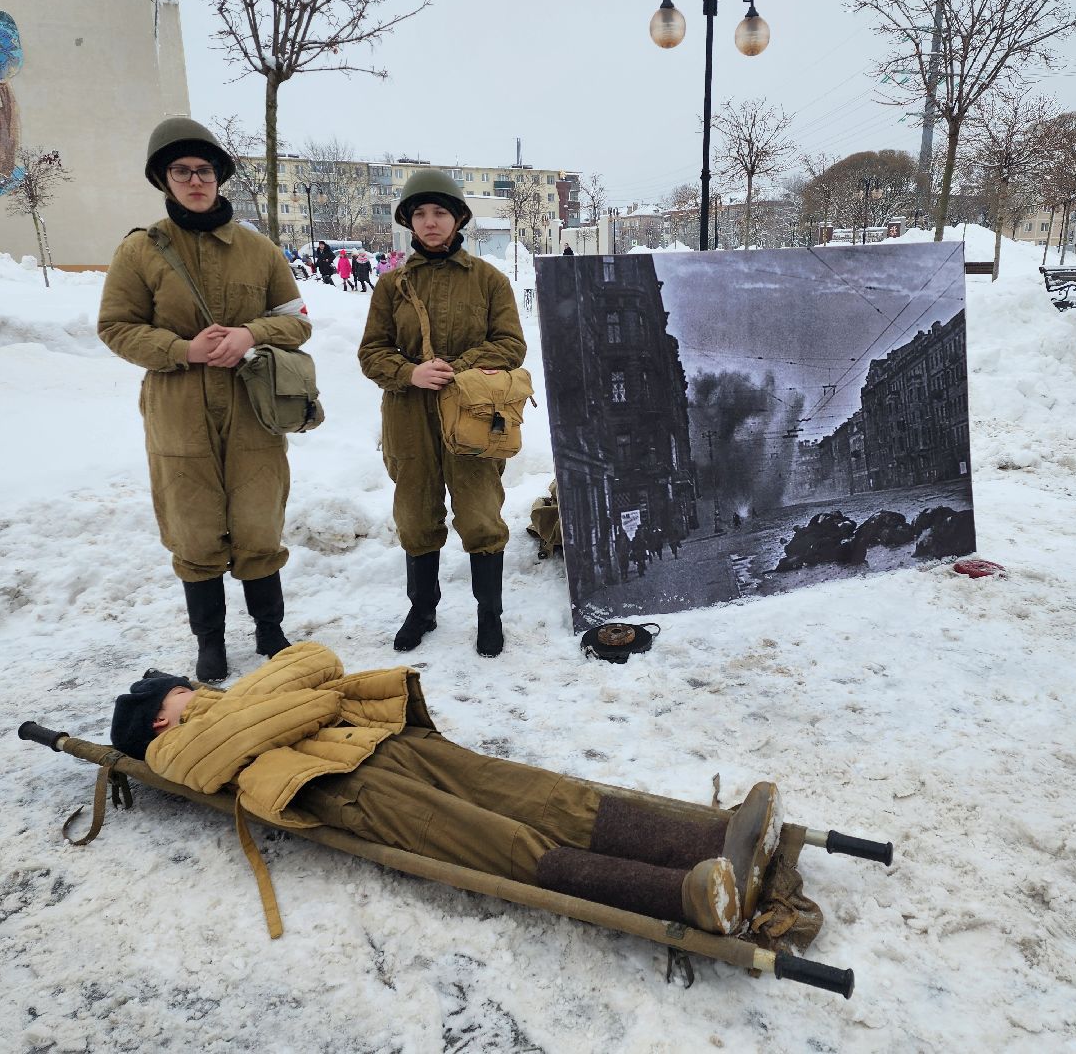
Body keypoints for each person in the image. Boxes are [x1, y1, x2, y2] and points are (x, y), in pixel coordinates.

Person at [111, 642, 780, 936]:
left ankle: (717, 839)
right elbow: (301, 698)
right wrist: (291, 701)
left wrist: (285, 700)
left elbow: (315, 661)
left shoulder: (232, 705)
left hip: (384, 744)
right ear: (160, 716)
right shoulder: (174, 749)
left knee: (538, 793)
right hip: (342, 788)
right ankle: (687, 896)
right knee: (504, 842)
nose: (194, 687)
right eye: (180, 689)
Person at [97, 117, 311, 683]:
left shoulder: (259, 250)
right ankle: (209, 640)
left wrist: (251, 334)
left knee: (259, 519)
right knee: (193, 525)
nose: (195, 180)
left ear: (220, 176)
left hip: (251, 406)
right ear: (163, 180)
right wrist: (182, 349)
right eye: (181, 171)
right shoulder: (141, 252)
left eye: (204, 170)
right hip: (178, 407)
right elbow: (116, 327)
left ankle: (269, 629)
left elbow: (296, 325)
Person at [358, 169, 527, 657]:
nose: (431, 222)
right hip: (409, 416)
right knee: (415, 514)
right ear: (410, 222)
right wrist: (410, 373)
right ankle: (423, 608)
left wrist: (459, 369)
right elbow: (372, 352)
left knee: (480, 515)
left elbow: (511, 345)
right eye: (421, 214)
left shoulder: (490, 280)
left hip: (475, 415)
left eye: (441, 213)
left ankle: (489, 615)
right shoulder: (393, 286)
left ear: (459, 219)